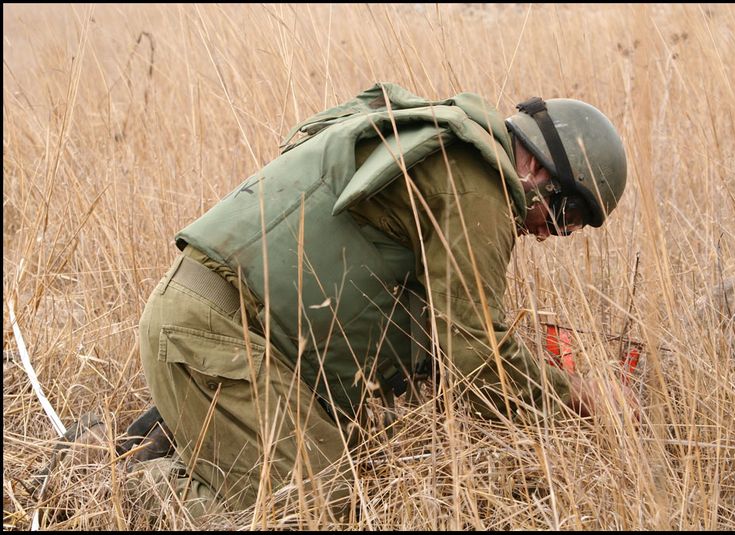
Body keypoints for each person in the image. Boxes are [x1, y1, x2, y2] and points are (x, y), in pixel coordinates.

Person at [126, 82, 634, 519]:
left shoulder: (439, 141)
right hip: (215, 332)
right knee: (313, 507)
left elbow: (429, 321)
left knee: (344, 463)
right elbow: (475, 355)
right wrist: (580, 398)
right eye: (566, 216)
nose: (550, 234)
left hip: (231, 331)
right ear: (543, 172)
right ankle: (117, 482)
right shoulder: (481, 188)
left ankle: (149, 444)